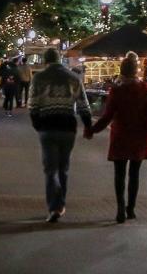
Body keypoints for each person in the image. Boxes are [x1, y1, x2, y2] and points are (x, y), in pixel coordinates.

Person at [90, 52, 147, 223]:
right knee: (134, 174)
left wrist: (92, 130)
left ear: (122, 71)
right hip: (138, 136)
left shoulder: (116, 90)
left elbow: (107, 116)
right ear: (135, 71)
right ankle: (131, 208)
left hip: (121, 135)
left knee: (119, 174)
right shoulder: (144, 89)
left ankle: (120, 208)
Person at [29, 47, 93, 223]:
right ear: (59, 59)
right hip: (67, 127)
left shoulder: (39, 78)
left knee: (50, 169)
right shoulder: (73, 78)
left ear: (45, 60)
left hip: (47, 127)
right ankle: (61, 204)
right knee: (63, 168)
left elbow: (33, 105)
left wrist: (37, 124)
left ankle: (53, 207)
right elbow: (83, 105)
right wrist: (88, 126)